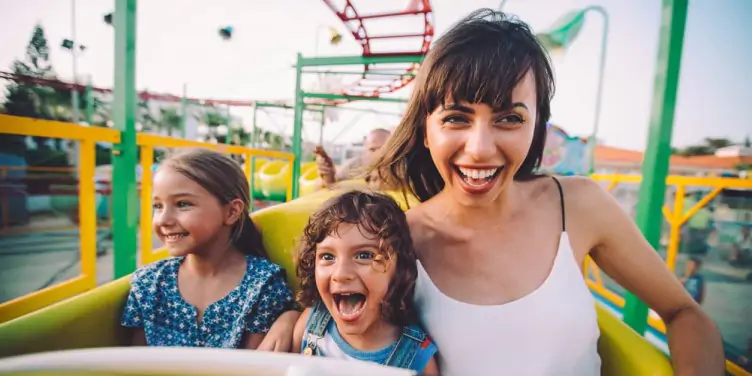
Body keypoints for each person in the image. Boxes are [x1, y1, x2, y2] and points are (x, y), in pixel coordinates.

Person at [260, 9, 724, 375]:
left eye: (509, 119)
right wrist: (287, 320)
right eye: (456, 118)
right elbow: (337, 309)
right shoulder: (398, 240)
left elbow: (684, 313)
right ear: (425, 130)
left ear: (536, 125)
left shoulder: (578, 206)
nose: (480, 149)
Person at [121, 148, 294, 348]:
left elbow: (252, 366)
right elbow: (137, 364)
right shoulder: (148, 284)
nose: (164, 220)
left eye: (182, 204)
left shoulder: (264, 285)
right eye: (158, 206)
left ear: (231, 211)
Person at [291, 191, 439, 374]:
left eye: (364, 255)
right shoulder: (310, 322)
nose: (341, 274)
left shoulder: (416, 357)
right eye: (327, 256)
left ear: (399, 268)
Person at [315, 128, 391, 188]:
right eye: (372, 150)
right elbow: (331, 185)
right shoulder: (355, 165)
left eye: (382, 149)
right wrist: (329, 176)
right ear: (365, 149)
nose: (377, 155)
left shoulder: (398, 167)